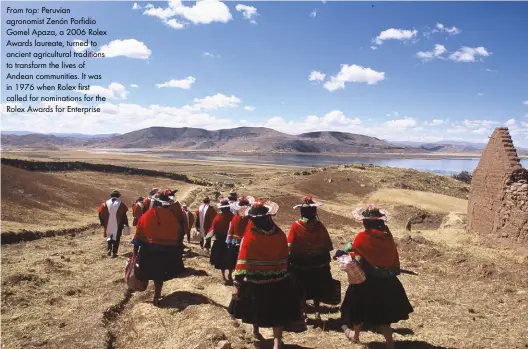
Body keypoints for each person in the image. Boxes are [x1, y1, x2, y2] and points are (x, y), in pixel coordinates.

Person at [228, 200, 303, 349]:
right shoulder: (280, 234)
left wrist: (237, 284)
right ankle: (277, 343)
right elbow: (285, 257)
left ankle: (256, 331)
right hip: (279, 280)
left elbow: (242, 262)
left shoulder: (250, 236)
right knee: (278, 311)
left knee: (256, 307)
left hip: (256, 281)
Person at [338, 205, 413, 349]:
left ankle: (356, 336)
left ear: (365, 222)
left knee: (356, 306)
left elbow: (352, 250)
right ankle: (390, 343)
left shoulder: (362, 237)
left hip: (367, 281)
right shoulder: (387, 236)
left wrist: (346, 249)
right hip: (388, 281)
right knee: (383, 314)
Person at [131, 189, 186, 306]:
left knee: (146, 271)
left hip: (149, 250)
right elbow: (177, 234)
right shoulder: (172, 217)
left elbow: (139, 232)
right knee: (159, 275)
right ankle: (157, 294)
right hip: (166, 251)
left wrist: (135, 250)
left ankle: (144, 287)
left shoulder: (147, 215)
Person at [287, 196, 334, 321]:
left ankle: (304, 313)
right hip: (319, 262)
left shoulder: (295, 226)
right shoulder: (320, 226)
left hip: (300, 263)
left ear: (302, 212)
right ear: (314, 212)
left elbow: (290, 245)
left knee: (301, 286)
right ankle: (317, 311)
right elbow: (328, 245)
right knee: (317, 286)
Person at [205, 198, 235, 284]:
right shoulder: (233, 216)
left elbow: (213, 229)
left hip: (219, 241)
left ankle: (223, 277)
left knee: (221, 259)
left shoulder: (218, 217)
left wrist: (207, 238)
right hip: (230, 241)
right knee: (231, 259)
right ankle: (230, 274)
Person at [225, 196, 255, 275]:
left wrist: (228, 242)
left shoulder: (235, 218)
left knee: (233, 259)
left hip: (235, 242)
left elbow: (230, 230)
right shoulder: (251, 219)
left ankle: (231, 274)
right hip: (247, 243)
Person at [98, 190, 129, 258]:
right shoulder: (120, 204)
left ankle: (109, 249)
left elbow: (100, 213)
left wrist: (102, 222)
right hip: (118, 224)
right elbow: (124, 215)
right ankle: (114, 252)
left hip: (108, 224)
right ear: (118, 196)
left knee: (109, 236)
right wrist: (126, 224)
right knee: (116, 238)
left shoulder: (105, 203)